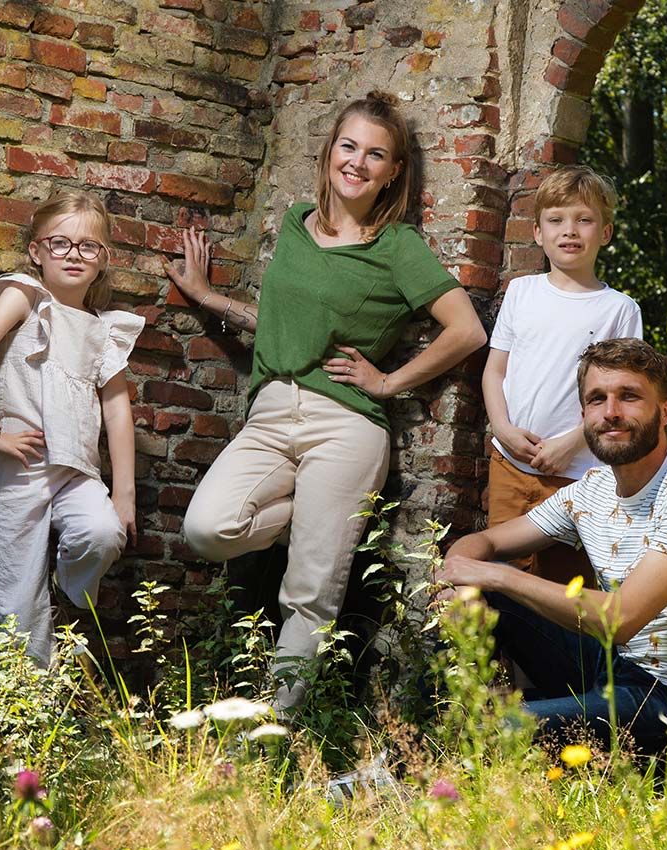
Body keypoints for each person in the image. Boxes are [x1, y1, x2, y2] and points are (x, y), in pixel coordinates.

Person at [168, 91, 487, 712]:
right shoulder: (294, 224)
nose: (358, 163)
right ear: (330, 150)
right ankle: (306, 519)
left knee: (309, 592)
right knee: (207, 529)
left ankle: (272, 732)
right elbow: (285, 325)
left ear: (393, 171)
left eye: (376, 155)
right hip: (269, 415)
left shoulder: (397, 246)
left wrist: (391, 382)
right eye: (349, 147)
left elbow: (467, 330)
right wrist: (207, 297)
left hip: (345, 426)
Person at [439, 339, 667, 768]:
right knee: (485, 616)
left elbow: (619, 619)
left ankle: (384, 785)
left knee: (501, 730)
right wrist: (464, 583)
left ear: (665, 412)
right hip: (614, 669)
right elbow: (489, 543)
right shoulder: (591, 490)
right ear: (585, 416)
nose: (611, 411)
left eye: (629, 396)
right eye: (597, 399)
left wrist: (495, 576)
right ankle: (467, 718)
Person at [0, 190, 144, 665]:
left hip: (77, 468)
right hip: (19, 466)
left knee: (102, 533)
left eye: (88, 246)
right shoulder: (25, 297)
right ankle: (31, 703)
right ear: (36, 252)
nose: (74, 254)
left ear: (103, 260)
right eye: (60, 243)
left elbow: (118, 410)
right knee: (17, 598)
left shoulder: (104, 330)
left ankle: (71, 586)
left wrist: (124, 493)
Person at [483, 166, 642, 586]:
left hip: (579, 474)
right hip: (511, 462)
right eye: (556, 220)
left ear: (605, 233)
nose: (569, 231)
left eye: (584, 220)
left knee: (565, 590)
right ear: (537, 232)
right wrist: (502, 427)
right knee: (504, 580)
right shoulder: (522, 292)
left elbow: (620, 396)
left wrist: (571, 442)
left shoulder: (619, 309)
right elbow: (495, 370)